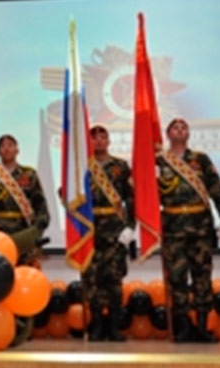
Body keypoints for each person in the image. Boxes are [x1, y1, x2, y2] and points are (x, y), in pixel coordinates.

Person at [157, 118, 220, 343]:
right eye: (175, 127)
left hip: (200, 228)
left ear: (188, 134)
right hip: (173, 229)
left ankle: (202, 327)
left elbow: (216, 188)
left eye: (183, 127)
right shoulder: (159, 161)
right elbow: (148, 195)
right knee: (177, 279)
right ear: (168, 134)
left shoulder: (200, 159)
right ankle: (183, 328)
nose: (179, 130)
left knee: (202, 277)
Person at [83, 125, 134, 342]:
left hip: (114, 229)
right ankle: (97, 325)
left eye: (103, 137)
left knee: (114, 280)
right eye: (94, 138)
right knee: (92, 280)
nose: (99, 141)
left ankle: (114, 327)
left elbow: (130, 198)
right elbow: (68, 195)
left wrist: (130, 226)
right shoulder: (81, 166)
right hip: (89, 229)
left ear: (109, 141)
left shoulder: (120, 167)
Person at [0, 134, 49, 265]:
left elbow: (39, 203)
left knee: (23, 267)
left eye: (10, 145)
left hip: (23, 230)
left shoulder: (29, 174)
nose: (6, 149)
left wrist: (38, 229)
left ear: (17, 150)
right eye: (2, 146)